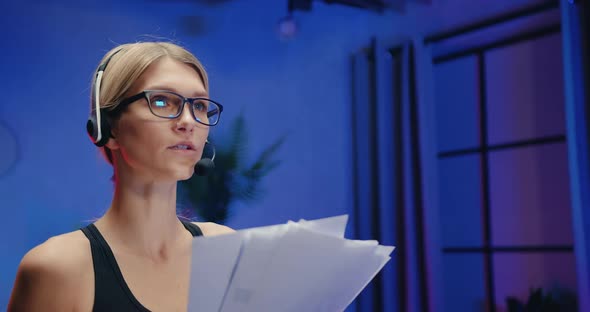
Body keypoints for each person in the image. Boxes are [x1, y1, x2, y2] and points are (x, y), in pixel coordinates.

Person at [8, 41, 234, 311]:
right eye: (161, 101)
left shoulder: (226, 250)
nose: (188, 121)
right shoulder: (58, 267)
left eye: (198, 106)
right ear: (107, 128)